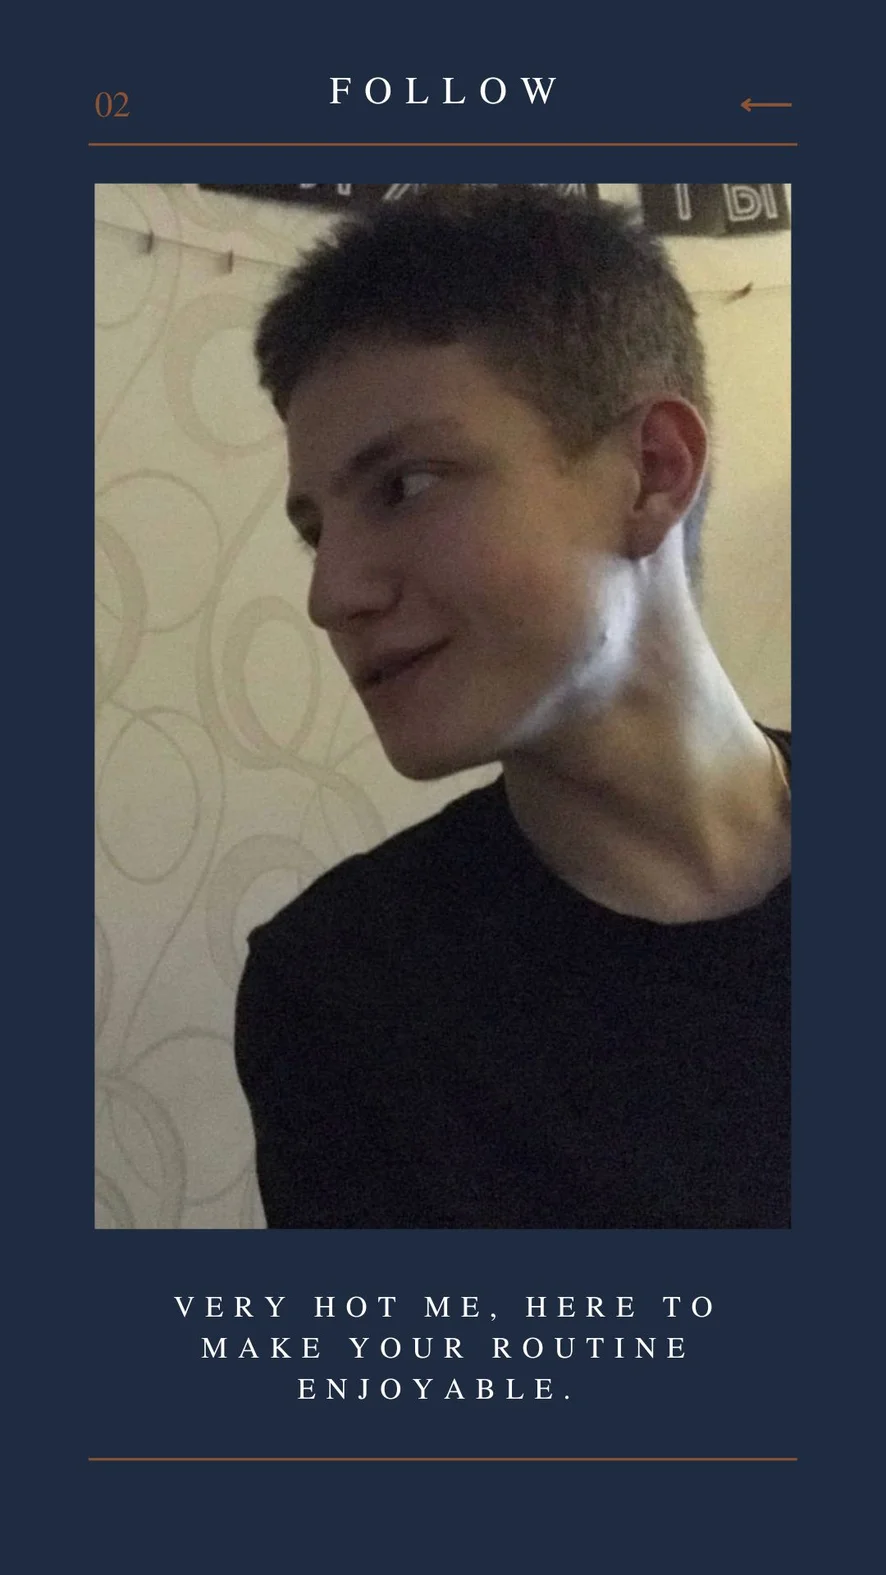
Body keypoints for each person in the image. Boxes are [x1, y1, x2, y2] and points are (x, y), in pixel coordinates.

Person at [235, 186, 790, 1229]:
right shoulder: (344, 994)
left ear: (652, 472)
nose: (330, 593)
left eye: (405, 486)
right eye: (316, 531)